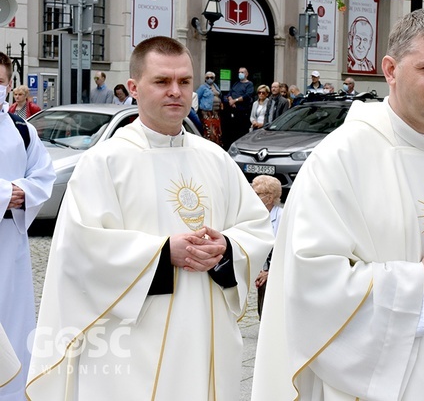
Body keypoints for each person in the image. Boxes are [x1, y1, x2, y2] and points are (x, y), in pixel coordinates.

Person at [252, 8, 424, 401]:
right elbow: (310, 282)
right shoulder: (339, 158)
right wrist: (418, 278)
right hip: (373, 382)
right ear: (390, 69)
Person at [26, 36, 274, 400]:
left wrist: (228, 247)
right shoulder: (105, 162)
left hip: (207, 336)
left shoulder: (216, 158)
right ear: (134, 88)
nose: (176, 91)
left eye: (184, 82)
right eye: (162, 82)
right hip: (131, 345)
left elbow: (256, 228)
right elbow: (79, 252)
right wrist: (161, 253)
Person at [0, 51, 56, 400]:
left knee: (14, 321)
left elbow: (44, 173)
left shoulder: (21, 129)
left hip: (12, 245)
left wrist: (24, 192)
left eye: (0, 81)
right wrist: (8, 191)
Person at [251, 175, 283, 320]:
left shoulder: (282, 218)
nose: (252, 196)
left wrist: (269, 272)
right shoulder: (256, 216)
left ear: (269, 198)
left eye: (257, 194)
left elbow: (284, 252)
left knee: (267, 283)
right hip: (263, 268)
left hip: (279, 269)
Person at [222, 67, 254, 149]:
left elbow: (247, 96)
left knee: (241, 132)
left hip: (243, 112)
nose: (240, 74)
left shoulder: (249, 84)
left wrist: (235, 100)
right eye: (239, 72)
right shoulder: (236, 83)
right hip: (233, 111)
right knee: (232, 131)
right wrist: (230, 100)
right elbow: (229, 93)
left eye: (242, 72)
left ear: (246, 74)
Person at [196, 71, 223, 145]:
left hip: (216, 113)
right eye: (207, 77)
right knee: (209, 131)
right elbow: (196, 97)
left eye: (211, 77)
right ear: (205, 79)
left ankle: (217, 145)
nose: (209, 79)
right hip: (207, 113)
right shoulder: (203, 87)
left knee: (217, 130)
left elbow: (219, 95)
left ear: (214, 78)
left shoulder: (216, 86)